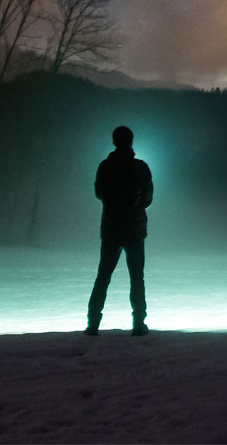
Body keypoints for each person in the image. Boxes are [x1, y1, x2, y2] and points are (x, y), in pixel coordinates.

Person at [85, 124, 153, 335]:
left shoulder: (105, 166)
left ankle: (93, 324)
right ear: (131, 142)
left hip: (111, 228)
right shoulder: (141, 167)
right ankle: (139, 324)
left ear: (114, 141)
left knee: (103, 277)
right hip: (134, 228)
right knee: (136, 277)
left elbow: (99, 193)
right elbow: (149, 197)